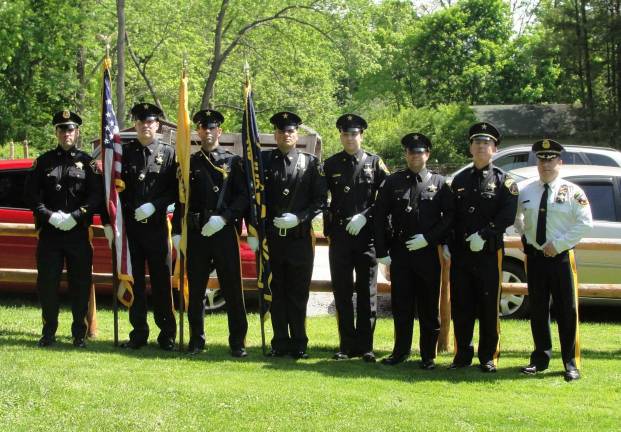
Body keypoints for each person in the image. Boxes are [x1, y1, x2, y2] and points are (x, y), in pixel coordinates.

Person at [247, 111, 327, 359]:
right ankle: (279, 342)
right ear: (275, 134)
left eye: (290, 131)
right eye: (281, 131)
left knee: (298, 293)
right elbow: (254, 198)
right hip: (273, 239)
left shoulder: (311, 163)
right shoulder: (262, 161)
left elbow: (320, 200)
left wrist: (300, 217)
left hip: (299, 239)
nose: (286, 135)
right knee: (276, 291)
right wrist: (253, 230)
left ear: (297, 135)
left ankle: (299, 343)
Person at [171, 110, 249, 357]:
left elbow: (244, 197)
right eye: (203, 128)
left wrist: (225, 217)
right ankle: (196, 340)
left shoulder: (233, 162)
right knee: (195, 290)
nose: (207, 132)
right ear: (198, 132)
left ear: (220, 132)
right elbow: (180, 198)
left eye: (212, 128)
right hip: (196, 233)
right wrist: (176, 231)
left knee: (232, 288)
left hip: (223, 231)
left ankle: (237, 342)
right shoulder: (188, 162)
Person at [374, 133, 454, 369]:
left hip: (427, 253)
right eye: (411, 151)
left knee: (429, 306)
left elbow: (449, 217)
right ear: (405, 154)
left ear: (427, 154)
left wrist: (429, 239)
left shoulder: (439, 184)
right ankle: (400, 351)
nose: (415, 156)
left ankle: (428, 355)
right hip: (400, 252)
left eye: (419, 152)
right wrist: (382, 251)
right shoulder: (392, 182)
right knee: (402, 305)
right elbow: (379, 217)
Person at [515, 139, 592, 382]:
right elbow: (517, 219)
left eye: (550, 160)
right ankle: (540, 359)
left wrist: (557, 245)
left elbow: (584, 223)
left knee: (567, 310)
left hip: (560, 259)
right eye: (541, 159)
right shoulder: (526, 190)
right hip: (536, 260)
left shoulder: (573, 192)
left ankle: (571, 362)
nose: (546, 164)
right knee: (538, 310)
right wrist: (523, 232)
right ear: (537, 162)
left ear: (560, 162)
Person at [25, 110, 103, 348]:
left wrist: (78, 215)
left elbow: (97, 195)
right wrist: (48, 216)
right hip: (51, 235)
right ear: (56, 132)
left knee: (80, 284)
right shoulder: (43, 162)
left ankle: (78, 333)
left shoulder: (88, 164)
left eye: (70, 130)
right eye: (62, 129)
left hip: (78, 234)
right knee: (47, 284)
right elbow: (30, 194)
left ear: (77, 132)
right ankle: (48, 332)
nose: (66, 134)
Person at [448, 122, 518, 372]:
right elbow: (450, 215)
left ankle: (488, 357)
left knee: (489, 307)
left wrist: (485, 235)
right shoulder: (458, 180)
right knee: (462, 305)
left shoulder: (504, 181)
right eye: (477, 142)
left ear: (495, 149)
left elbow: (506, 216)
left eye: (486, 143)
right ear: (470, 148)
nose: (481, 147)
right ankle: (462, 355)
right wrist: (450, 243)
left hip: (489, 253)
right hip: (462, 254)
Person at [323, 114, 388, 362]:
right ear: (340, 136)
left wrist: (365, 216)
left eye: (354, 134)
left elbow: (384, 199)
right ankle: (346, 345)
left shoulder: (375, 163)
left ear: (361, 135)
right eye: (346, 134)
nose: (350, 138)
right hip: (340, 237)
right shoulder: (330, 165)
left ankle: (366, 346)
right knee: (342, 292)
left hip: (366, 237)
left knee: (366, 293)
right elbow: (321, 198)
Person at [119, 103, 177, 351]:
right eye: (141, 122)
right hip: (132, 229)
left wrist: (155, 205)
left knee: (162, 283)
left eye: (150, 122)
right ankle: (138, 334)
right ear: (136, 125)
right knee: (135, 283)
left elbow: (176, 189)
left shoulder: (169, 153)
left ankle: (167, 335)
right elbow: (116, 190)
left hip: (156, 227)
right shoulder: (124, 153)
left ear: (158, 125)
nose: (145, 126)